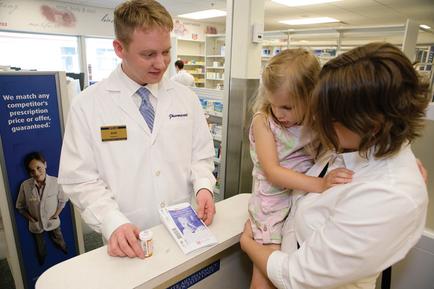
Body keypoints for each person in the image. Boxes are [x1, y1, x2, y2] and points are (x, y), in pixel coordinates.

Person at [241, 42, 430, 288]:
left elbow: (298, 276)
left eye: (329, 118)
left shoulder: (387, 197)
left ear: (370, 126)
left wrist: (248, 245)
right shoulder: (358, 144)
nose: (319, 124)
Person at [58, 0, 216, 259]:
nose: (162, 63)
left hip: (186, 229)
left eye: (166, 52)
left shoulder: (186, 98)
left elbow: (200, 155)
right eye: (148, 54)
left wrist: (203, 187)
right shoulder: (88, 105)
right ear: (119, 48)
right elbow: (80, 178)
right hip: (127, 236)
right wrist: (112, 221)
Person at [248, 48, 353, 289]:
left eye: (287, 107)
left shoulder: (315, 121)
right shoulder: (264, 121)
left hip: (298, 202)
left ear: (310, 98)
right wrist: (320, 184)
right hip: (271, 204)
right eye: (274, 104)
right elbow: (273, 172)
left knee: (290, 267)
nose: (279, 113)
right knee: (266, 271)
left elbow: (345, 144)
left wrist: (394, 158)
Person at [16, 152, 68, 265]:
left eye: (39, 167)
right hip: (36, 224)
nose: (36, 173)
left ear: (45, 164)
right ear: (29, 172)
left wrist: (56, 214)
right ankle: (42, 259)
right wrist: (31, 219)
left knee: (58, 238)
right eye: (32, 170)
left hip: (52, 221)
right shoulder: (25, 185)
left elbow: (63, 200)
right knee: (40, 246)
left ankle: (65, 251)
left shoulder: (56, 182)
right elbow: (20, 207)